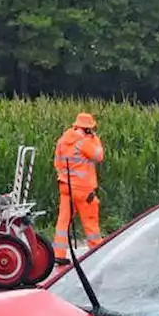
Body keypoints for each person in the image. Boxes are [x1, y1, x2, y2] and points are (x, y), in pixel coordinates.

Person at [52, 112, 105, 264]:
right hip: (83, 190)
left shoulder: (62, 140)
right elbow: (99, 156)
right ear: (88, 128)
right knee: (90, 222)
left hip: (65, 186)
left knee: (63, 221)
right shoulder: (84, 142)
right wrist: (96, 140)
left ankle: (59, 254)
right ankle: (97, 251)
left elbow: (57, 163)